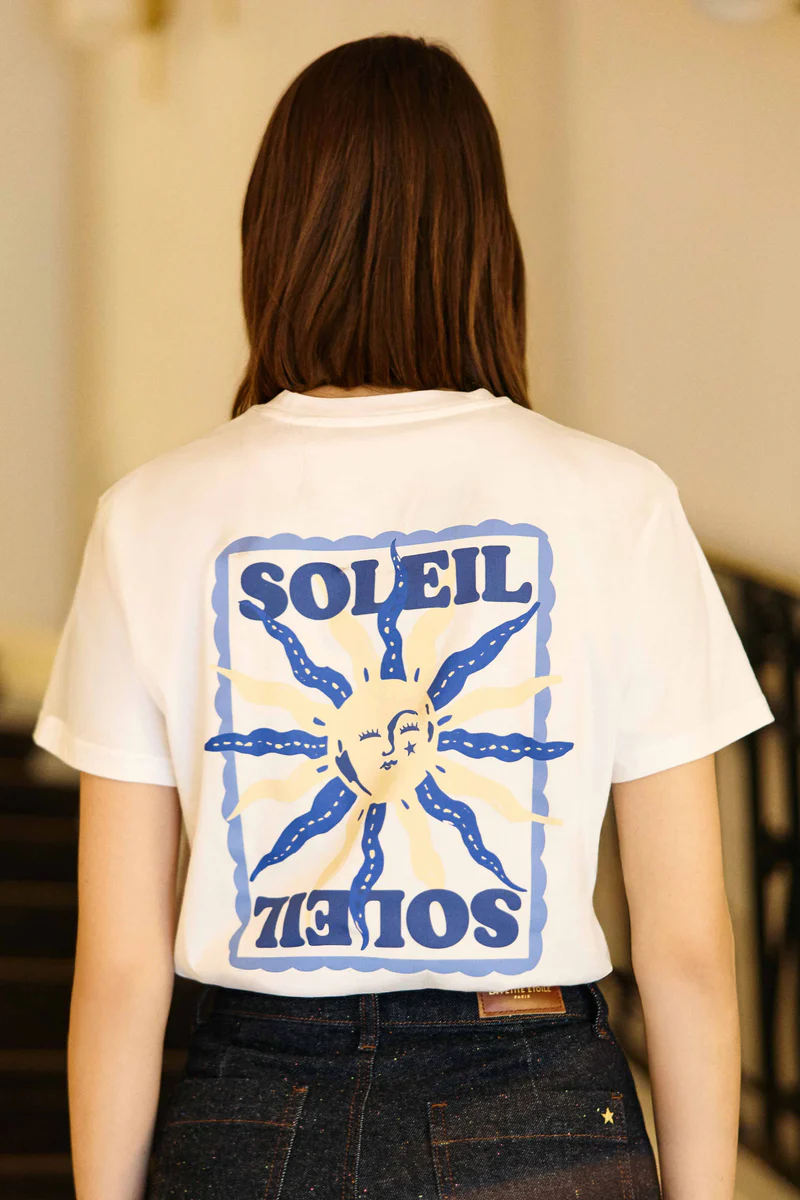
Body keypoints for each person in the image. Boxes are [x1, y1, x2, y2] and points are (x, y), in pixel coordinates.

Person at [33, 32, 774, 1200]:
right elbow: (684, 944)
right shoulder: (615, 502)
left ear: (273, 237)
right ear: (485, 240)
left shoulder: (151, 517)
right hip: (533, 1104)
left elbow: (122, 966)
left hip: (249, 1111)